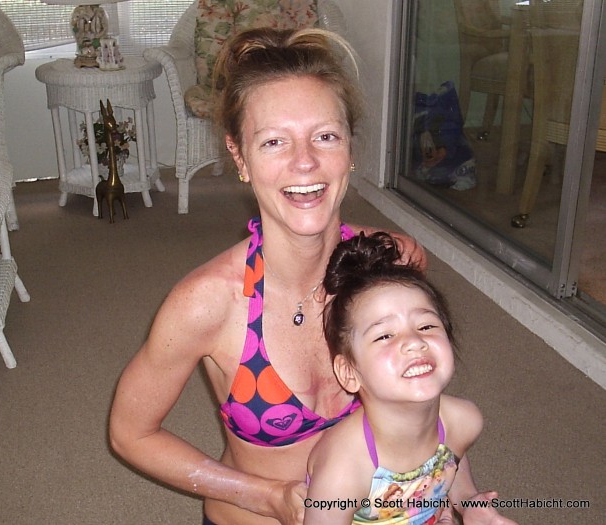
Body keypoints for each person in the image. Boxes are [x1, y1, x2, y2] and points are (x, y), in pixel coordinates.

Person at [109, 27, 516, 525]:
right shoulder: (207, 302)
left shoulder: (395, 261)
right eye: (275, 141)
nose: (305, 162)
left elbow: (419, 409)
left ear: (350, 149)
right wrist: (266, 496)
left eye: (325, 136)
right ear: (240, 157)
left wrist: (466, 501)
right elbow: (130, 433)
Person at [304, 231, 488, 524]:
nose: (415, 341)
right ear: (349, 373)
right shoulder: (345, 467)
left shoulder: (464, 421)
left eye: (427, 326)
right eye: (385, 335)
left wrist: (469, 507)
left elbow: (451, 466)